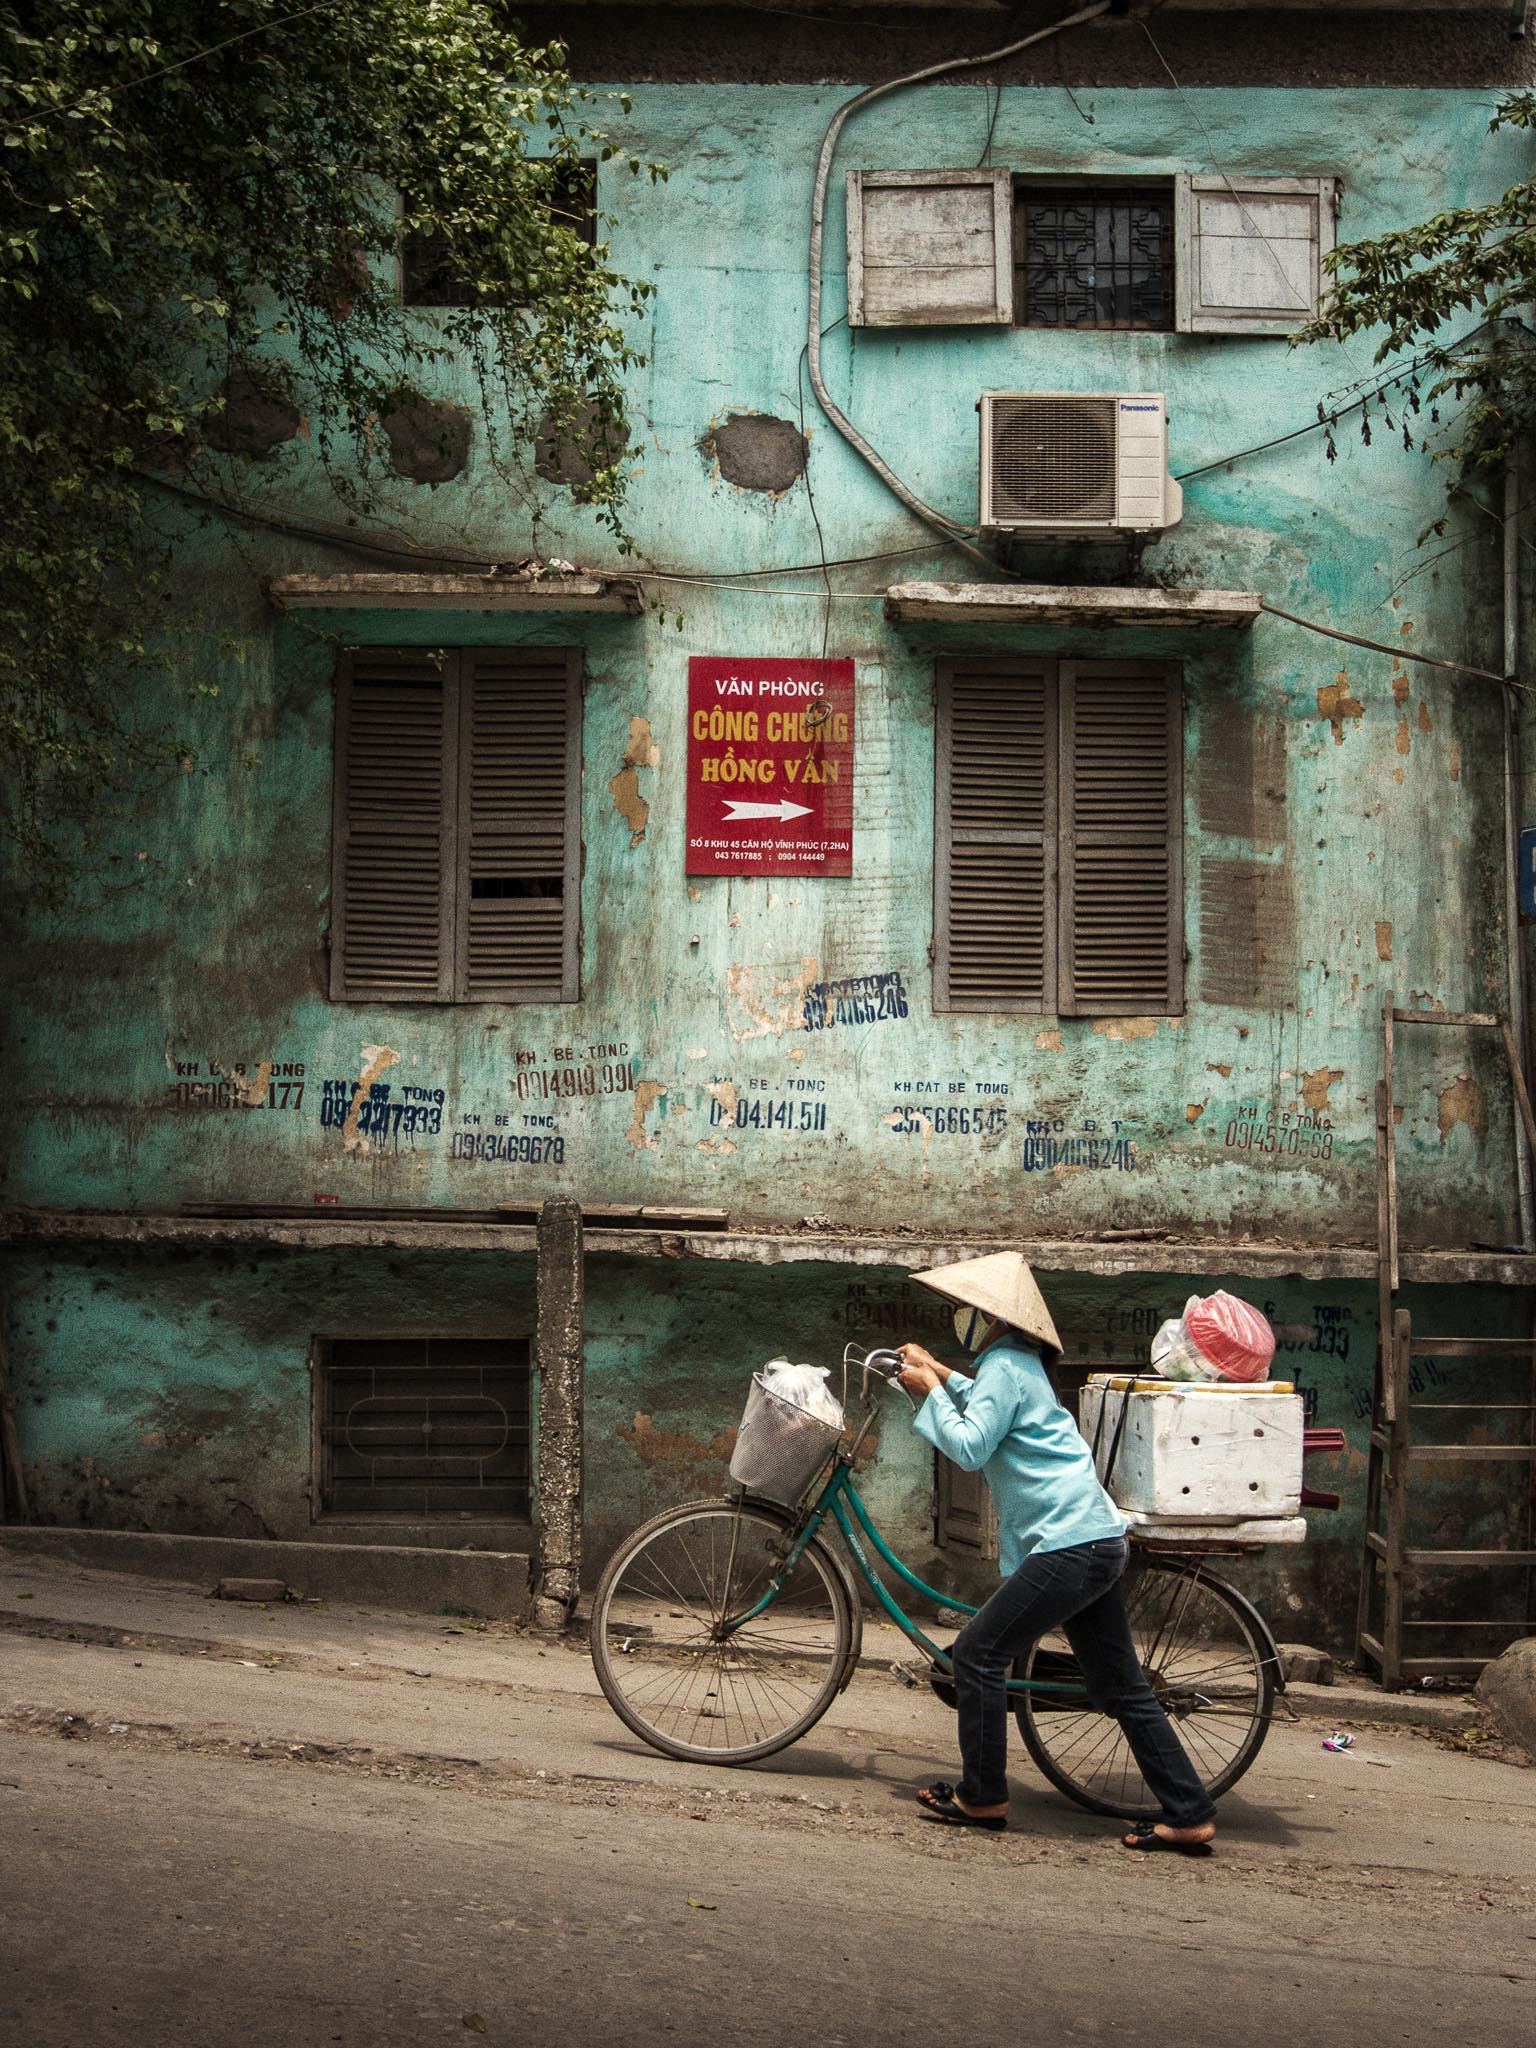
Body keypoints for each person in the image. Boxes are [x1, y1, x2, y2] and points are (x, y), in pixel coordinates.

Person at [897, 1251, 1219, 1854]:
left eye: (966, 1310)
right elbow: (990, 1402)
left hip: (1068, 1547)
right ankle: (1189, 1810)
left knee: (977, 1654)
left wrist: (929, 1393)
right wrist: (939, 1373)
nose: (959, 1318)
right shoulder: (1013, 1363)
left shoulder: (1004, 1365)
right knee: (1120, 1685)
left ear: (989, 1317)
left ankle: (983, 1794)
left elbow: (969, 1447)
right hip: (1095, 1541)